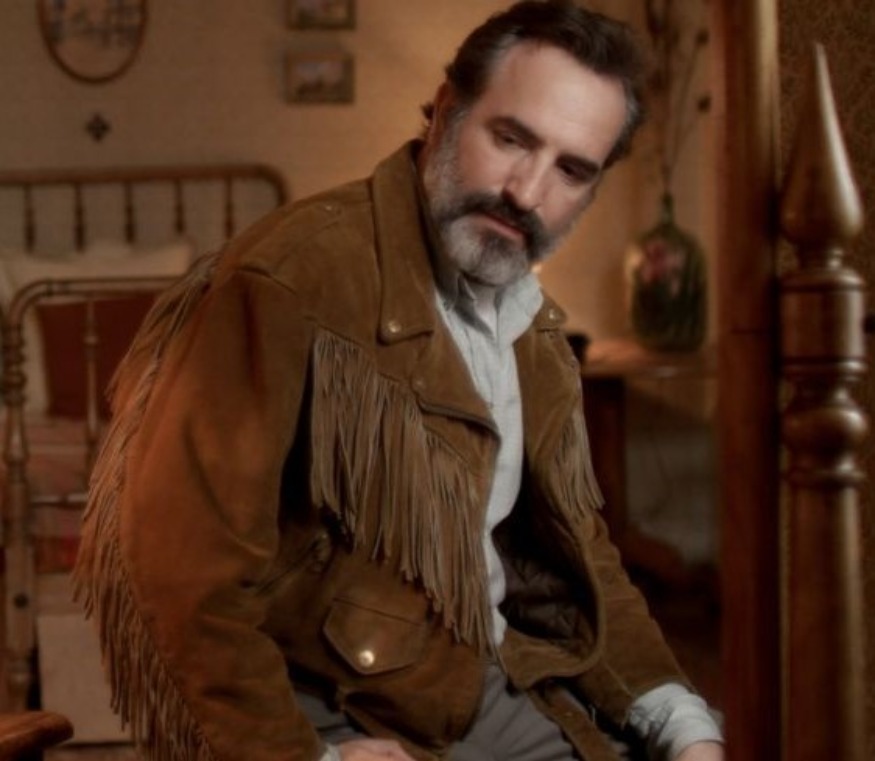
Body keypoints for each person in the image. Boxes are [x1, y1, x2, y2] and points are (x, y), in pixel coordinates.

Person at [74, 2, 724, 760]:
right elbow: (185, 572)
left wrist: (683, 722)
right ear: (447, 110)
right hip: (330, 709)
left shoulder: (532, 327)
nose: (527, 191)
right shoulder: (290, 281)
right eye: (511, 138)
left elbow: (580, 554)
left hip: (484, 678)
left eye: (571, 169)